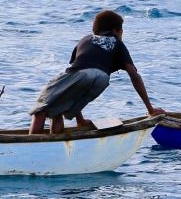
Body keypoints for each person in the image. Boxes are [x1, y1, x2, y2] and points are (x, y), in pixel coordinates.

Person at [29, 9, 163, 134]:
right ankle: (59, 141)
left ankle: (31, 150)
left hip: (81, 72)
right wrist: (150, 109)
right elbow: (134, 75)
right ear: (116, 31)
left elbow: (75, 78)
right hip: (102, 79)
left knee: (40, 110)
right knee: (57, 110)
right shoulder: (117, 42)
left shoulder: (85, 39)